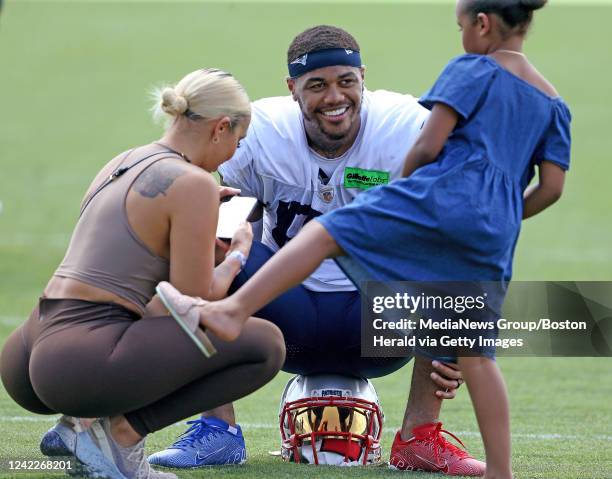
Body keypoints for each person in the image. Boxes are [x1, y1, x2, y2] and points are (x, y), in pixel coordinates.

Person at [155, 1, 572, 477]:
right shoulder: (258, 131)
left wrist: (451, 326)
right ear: (291, 89)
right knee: (205, 241)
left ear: (363, 79)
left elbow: (454, 214)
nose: (335, 97)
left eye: (345, 82)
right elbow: (206, 210)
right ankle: (217, 428)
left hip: (377, 321)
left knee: (446, 269)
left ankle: (420, 435)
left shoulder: (405, 124)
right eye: (317, 86)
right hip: (280, 317)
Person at [0, 68, 286, 479]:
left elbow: (125, 261)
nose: (231, 156)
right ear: (221, 127)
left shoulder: (125, 159)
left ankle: (79, 424)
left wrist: (197, 223)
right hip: (76, 363)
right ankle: (120, 434)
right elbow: (193, 304)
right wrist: (237, 255)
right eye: (236, 143)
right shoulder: (194, 183)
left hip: (27, 351)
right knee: (265, 345)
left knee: (138, 325)